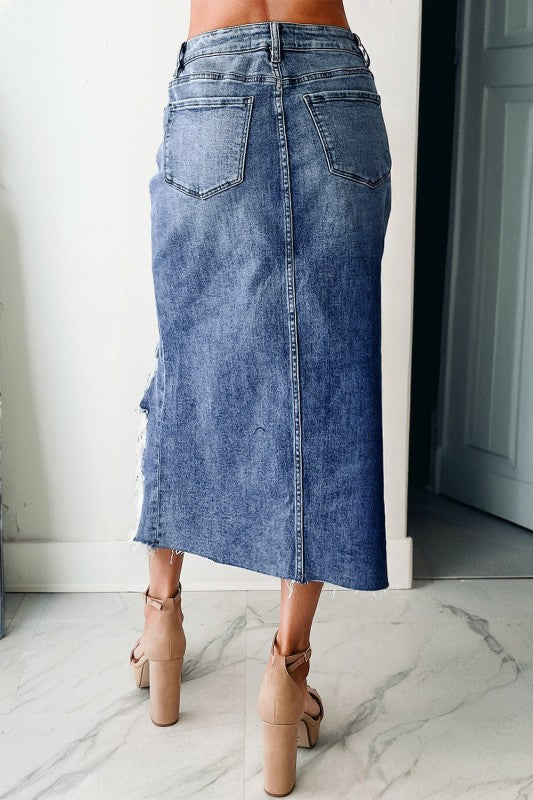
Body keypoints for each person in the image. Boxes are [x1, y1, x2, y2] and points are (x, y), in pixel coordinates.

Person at [129, 1, 392, 795]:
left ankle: (161, 623)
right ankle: (286, 673)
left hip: (214, 84)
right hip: (333, 92)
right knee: (328, 387)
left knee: (188, 368)